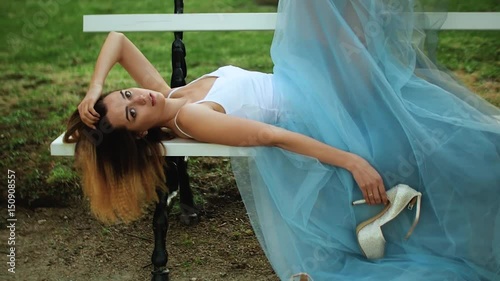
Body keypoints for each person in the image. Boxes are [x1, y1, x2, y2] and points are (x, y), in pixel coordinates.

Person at [66, 0, 500, 280]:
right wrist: (351, 161)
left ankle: (395, 201)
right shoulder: (192, 118)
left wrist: (94, 90)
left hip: (311, 79)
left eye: (127, 94)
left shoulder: (171, 98)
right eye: (132, 110)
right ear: (141, 130)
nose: (139, 95)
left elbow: (118, 41)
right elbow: (269, 135)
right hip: (326, 98)